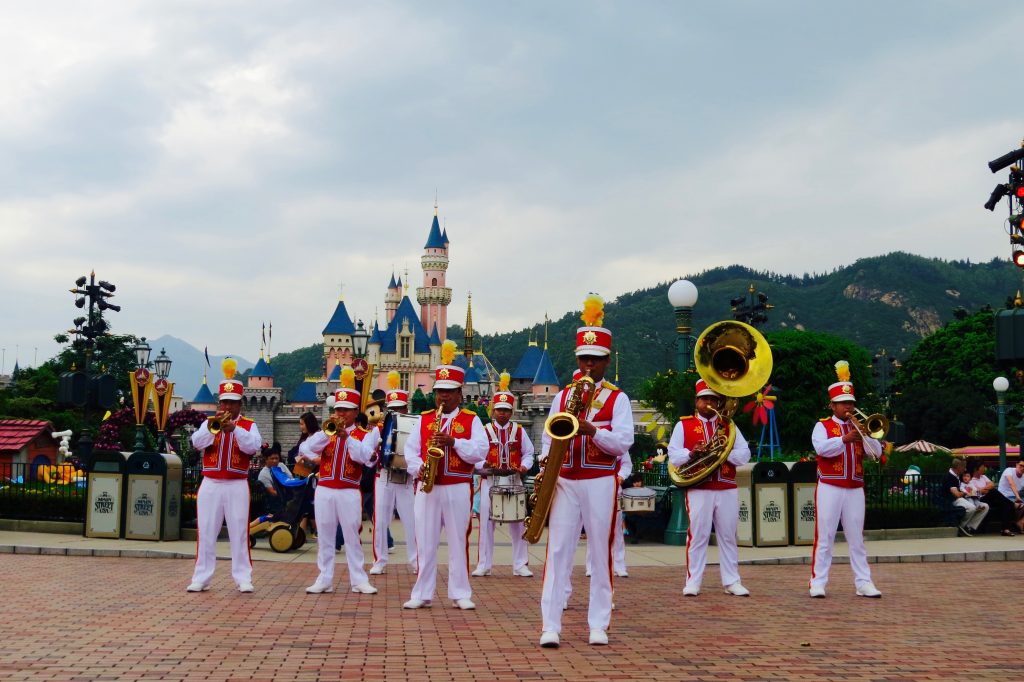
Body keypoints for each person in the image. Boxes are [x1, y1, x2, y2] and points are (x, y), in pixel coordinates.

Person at [539, 294, 634, 649]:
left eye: (596, 359)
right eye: (584, 359)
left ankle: (598, 623)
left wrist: (592, 429)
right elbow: (549, 439)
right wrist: (546, 469)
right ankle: (550, 624)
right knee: (558, 550)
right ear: (577, 359)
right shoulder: (562, 396)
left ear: (607, 361)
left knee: (600, 550)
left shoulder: (617, 399)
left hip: (599, 480)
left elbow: (623, 443)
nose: (589, 365)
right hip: (565, 480)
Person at [402, 340, 488, 610]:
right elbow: (410, 451)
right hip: (428, 488)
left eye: (449, 392)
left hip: (457, 486)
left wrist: (454, 443)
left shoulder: (471, 419)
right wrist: (420, 469)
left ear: (459, 393)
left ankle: (460, 592)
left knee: (457, 540)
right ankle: (422, 592)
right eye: (439, 391)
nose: (443, 397)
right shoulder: (425, 419)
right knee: (425, 541)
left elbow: (480, 452)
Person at [298, 369, 381, 595]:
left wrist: (346, 437)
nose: (341, 414)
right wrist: (329, 435)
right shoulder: (327, 433)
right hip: (324, 488)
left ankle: (358, 580)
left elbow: (364, 457)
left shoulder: (364, 434)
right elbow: (306, 447)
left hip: (348, 490)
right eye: (338, 410)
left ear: (355, 412)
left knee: (352, 535)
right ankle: (324, 578)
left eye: (345, 410)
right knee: (324, 534)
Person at [668, 378, 752, 598]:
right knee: (698, 535)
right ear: (696, 401)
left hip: (726, 486)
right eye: (705, 399)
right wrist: (692, 453)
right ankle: (693, 581)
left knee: (728, 536)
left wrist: (721, 453)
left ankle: (732, 581)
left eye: (713, 399)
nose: (709, 403)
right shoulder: (683, 425)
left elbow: (745, 454)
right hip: (699, 486)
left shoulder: (729, 425)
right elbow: (673, 456)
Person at [808, 361, 882, 599]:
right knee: (826, 537)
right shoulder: (823, 426)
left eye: (850, 403)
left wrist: (866, 434)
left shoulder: (858, 427)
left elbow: (876, 453)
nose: (848, 407)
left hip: (854, 487)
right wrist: (844, 439)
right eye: (843, 403)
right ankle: (817, 583)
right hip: (830, 486)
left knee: (856, 538)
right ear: (833, 405)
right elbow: (821, 450)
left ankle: (864, 582)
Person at [187, 358, 262, 593]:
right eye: (224, 403)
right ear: (219, 403)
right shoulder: (209, 422)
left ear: (240, 405)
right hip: (210, 483)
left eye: (232, 403)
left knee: (239, 531)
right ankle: (201, 576)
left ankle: (243, 577)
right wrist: (213, 428)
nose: (228, 408)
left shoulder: (249, 425)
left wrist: (235, 429)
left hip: (236, 484)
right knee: (207, 530)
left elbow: (253, 447)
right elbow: (196, 443)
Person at [472, 372, 535, 578]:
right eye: (499, 410)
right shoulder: (484, 430)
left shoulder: (518, 430)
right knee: (486, 525)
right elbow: (476, 454)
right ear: (493, 410)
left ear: (511, 411)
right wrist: (484, 465)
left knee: (518, 524)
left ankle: (520, 564)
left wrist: (525, 466)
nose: (502, 414)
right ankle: (484, 564)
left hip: (514, 480)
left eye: (506, 410)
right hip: (490, 480)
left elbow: (529, 453)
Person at [370, 371, 417, 575]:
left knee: (412, 521)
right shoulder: (378, 429)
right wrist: (376, 453)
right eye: (393, 409)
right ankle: (380, 560)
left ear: (406, 408)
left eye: (400, 408)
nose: (397, 413)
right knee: (380, 520)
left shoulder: (416, 426)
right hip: (385, 476)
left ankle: (416, 560)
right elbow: (369, 455)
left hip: (406, 479)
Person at [970, 460, 1017, 536]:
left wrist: (983, 489)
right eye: (982, 467)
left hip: (990, 498)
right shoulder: (971, 480)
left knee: (1006, 505)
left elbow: (992, 484)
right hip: (980, 500)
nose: (984, 468)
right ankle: (1012, 503)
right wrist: (984, 490)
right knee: (994, 492)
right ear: (976, 469)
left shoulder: (984, 477)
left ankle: (1005, 529)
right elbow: (975, 493)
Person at [945, 459, 987, 536]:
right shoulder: (949, 477)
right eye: (964, 467)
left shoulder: (958, 476)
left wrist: (975, 493)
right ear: (958, 467)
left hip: (964, 498)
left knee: (985, 506)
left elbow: (971, 489)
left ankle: (969, 527)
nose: (965, 469)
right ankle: (961, 527)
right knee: (971, 508)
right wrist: (966, 492)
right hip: (951, 500)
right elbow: (957, 494)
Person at [257, 444, 291, 517]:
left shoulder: (281, 465)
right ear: (266, 459)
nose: (275, 461)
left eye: (277, 458)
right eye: (272, 458)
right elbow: (272, 492)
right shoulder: (263, 474)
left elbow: (291, 479)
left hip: (289, 496)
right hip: (276, 503)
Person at [997, 458, 1024, 532]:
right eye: (1021, 465)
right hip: (1003, 496)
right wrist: (1018, 497)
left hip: (1015, 498)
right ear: (1016, 465)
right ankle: (1016, 522)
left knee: (1020, 504)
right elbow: (1011, 483)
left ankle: (1020, 522)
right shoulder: (1009, 470)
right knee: (1016, 504)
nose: (1022, 468)